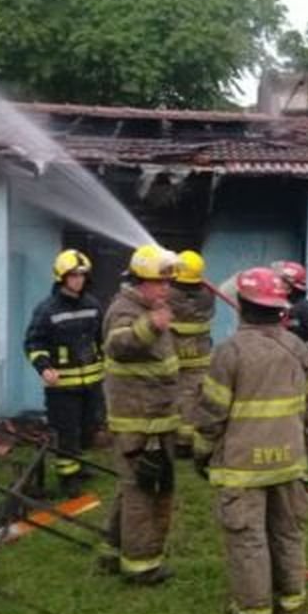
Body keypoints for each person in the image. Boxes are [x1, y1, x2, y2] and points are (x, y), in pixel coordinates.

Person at [192, 267, 308, 614]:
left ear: (242, 307)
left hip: (243, 465)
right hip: (291, 461)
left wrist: (201, 452)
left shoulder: (229, 352)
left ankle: (252, 612)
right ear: (281, 310)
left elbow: (211, 414)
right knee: (288, 530)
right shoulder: (299, 348)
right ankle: (292, 598)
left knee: (247, 538)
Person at [96, 243, 181, 585]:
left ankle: (112, 549)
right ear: (140, 282)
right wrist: (151, 325)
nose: (166, 289)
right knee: (145, 492)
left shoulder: (147, 305)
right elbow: (117, 344)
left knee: (131, 485)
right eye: (159, 283)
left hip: (154, 417)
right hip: (139, 421)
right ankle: (141, 567)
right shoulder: (125, 309)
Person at [23, 249, 106, 499]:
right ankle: (67, 478)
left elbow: (101, 338)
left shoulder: (93, 304)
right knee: (66, 432)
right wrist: (44, 367)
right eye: (73, 275)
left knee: (86, 429)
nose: (78, 280)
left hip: (91, 382)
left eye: (82, 275)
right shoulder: (46, 309)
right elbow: (33, 343)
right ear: (61, 278)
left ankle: (78, 467)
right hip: (62, 386)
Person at [169, 249, 216, 460]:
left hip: (174, 356)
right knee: (195, 400)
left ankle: (179, 443)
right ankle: (190, 441)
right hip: (200, 357)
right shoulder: (207, 296)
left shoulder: (171, 296)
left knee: (176, 398)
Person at [272, 260, 308, 356]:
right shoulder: (273, 304)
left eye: (283, 281)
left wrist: (300, 356)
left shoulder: (304, 307)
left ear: (291, 286)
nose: (278, 284)